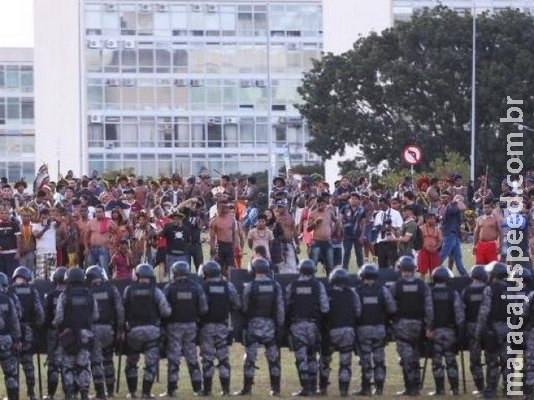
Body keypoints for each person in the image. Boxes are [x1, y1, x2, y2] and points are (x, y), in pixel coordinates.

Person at [235, 257, 284, 396]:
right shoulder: (275, 286)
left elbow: (244, 306)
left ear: (253, 270)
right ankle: (275, 389)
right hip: (270, 326)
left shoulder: (250, 286)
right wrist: (279, 327)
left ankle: (247, 389)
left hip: (253, 326)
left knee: (250, 358)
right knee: (273, 359)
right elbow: (280, 308)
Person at [123, 264, 171, 399]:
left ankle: (132, 393)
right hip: (152, 333)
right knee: (150, 364)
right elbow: (166, 311)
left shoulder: (129, 290)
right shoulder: (155, 291)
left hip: (133, 333)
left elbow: (122, 310)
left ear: (137, 276)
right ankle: (146, 393)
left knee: (131, 364)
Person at [161, 261, 208, 397]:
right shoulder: (196, 287)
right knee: (192, 357)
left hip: (174, 326)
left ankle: (172, 390)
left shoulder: (170, 288)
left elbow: (164, 309)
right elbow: (203, 308)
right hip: (191, 326)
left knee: (174, 358)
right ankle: (198, 388)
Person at [389, 256, 433, 396]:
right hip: (419, 326)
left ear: (400, 269)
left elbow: (390, 307)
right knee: (415, 356)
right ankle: (416, 386)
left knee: (406, 358)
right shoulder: (422, 285)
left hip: (401, 326)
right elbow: (429, 308)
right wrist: (428, 327)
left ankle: (411, 388)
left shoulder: (396, 286)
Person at [53, 267, 99, 400]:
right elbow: (95, 315)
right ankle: (84, 393)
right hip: (85, 334)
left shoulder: (64, 295)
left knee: (67, 365)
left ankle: (69, 394)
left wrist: (57, 327)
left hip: (68, 335)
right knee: (84, 365)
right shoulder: (89, 294)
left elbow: (59, 318)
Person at [285, 258, 330, 396]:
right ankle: (313, 387)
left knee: (300, 358)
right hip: (313, 326)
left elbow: (286, 306)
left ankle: (306, 388)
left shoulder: (292, 286)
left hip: (297, 326)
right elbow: (325, 308)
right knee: (312, 357)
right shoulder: (318, 286)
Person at [198, 260, 241, 396]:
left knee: (207, 359)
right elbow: (237, 304)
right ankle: (226, 390)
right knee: (224, 359)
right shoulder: (228, 286)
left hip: (206, 328)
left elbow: (201, 308)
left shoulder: (203, 287)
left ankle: (207, 390)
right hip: (223, 327)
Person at [355, 263, 397, 396]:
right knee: (379, 359)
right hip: (379, 329)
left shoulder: (358, 291)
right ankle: (379, 388)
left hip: (363, 329)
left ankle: (366, 388)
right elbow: (392, 308)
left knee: (365, 359)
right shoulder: (382, 290)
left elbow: (356, 312)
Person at [318, 268, 361, 397]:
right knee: (345, 361)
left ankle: (323, 388)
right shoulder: (352, 293)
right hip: (348, 331)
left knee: (324, 361)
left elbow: (324, 310)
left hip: (331, 331)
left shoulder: (328, 293)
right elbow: (358, 311)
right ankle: (344, 390)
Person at [86, 264, 125, 398]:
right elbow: (120, 310)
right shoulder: (111, 289)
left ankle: (99, 392)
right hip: (109, 329)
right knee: (108, 359)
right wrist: (120, 330)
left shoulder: (87, 292)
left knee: (96, 361)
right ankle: (110, 390)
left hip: (93, 330)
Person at [474, 261, 512, 399]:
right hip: (509, 329)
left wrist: (478, 333)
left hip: (494, 328)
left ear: (493, 275)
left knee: (492, 360)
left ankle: (491, 390)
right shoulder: (511, 288)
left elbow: (484, 312)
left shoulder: (489, 289)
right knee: (507, 360)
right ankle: (508, 390)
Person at [427, 266, 465, 396]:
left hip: (435, 331)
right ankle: (454, 389)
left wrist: (429, 329)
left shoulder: (430, 292)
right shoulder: (452, 293)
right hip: (450, 331)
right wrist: (460, 331)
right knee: (451, 360)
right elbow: (459, 314)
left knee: (437, 361)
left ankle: (439, 389)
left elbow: (429, 313)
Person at [10, 266, 45, 400]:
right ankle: (31, 393)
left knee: (12, 365)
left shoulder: (10, 290)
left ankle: (13, 395)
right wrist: (37, 326)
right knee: (28, 363)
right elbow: (40, 314)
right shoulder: (32, 291)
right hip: (28, 330)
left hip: (13, 332)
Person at [462, 264, 489, 395]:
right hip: (489, 328)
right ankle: (492, 387)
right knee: (492, 358)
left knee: (475, 359)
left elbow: (462, 310)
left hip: (472, 328)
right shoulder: (489, 289)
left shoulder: (466, 291)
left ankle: (480, 387)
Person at [43, 267, 68, 400]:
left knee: (52, 364)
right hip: (68, 333)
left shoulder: (51, 295)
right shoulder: (70, 294)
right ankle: (69, 393)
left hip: (53, 332)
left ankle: (51, 395)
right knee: (67, 363)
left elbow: (46, 316)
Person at [0, 271, 21, 400]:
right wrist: (17, 339)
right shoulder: (8, 299)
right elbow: (15, 320)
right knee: (11, 374)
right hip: (6, 340)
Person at [438, 191, 468, 276]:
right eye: (461, 201)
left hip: (455, 235)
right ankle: (434, 269)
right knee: (443, 255)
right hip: (449, 235)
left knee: (458, 258)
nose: (462, 202)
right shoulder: (451, 207)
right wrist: (458, 200)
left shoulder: (453, 207)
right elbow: (463, 207)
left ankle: (465, 276)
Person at [84, 204, 118, 277]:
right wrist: (86, 247)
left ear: (104, 212)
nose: (98, 214)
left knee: (104, 271)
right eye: (96, 212)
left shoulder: (109, 222)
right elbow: (85, 236)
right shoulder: (90, 222)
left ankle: (106, 286)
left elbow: (119, 234)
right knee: (90, 270)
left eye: (100, 212)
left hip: (103, 249)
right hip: (91, 249)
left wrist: (114, 246)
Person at [308, 196, 336, 275]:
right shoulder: (312, 213)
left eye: (322, 204)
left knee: (330, 265)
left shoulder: (329, 212)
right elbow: (308, 229)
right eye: (318, 205)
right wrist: (315, 222)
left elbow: (337, 221)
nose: (320, 206)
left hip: (327, 242)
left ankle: (329, 283)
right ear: (316, 204)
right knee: (312, 266)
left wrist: (333, 230)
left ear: (325, 204)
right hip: (316, 242)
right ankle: (312, 283)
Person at [373, 197, 402, 269]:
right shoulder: (378, 214)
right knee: (382, 265)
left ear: (387, 204)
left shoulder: (396, 213)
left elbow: (400, 227)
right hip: (381, 241)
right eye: (379, 205)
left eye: (382, 205)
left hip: (391, 241)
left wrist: (390, 227)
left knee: (392, 264)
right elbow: (375, 227)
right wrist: (379, 228)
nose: (381, 207)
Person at [340, 192, 366, 270]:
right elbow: (340, 220)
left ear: (358, 200)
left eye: (355, 199)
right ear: (349, 200)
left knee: (359, 253)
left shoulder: (362, 210)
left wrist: (362, 236)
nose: (353, 200)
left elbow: (363, 224)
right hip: (347, 234)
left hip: (357, 234)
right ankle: (344, 271)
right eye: (352, 198)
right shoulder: (345, 208)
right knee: (346, 253)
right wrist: (341, 230)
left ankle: (362, 270)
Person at [32, 208, 58, 280]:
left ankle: (52, 289)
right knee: (41, 275)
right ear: (39, 216)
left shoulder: (53, 224)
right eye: (43, 217)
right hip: (40, 253)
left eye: (46, 216)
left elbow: (60, 221)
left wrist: (52, 218)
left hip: (52, 253)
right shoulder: (35, 225)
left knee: (52, 275)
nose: (44, 219)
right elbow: (37, 236)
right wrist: (45, 229)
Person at [417, 212, 442, 280]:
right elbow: (418, 240)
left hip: (434, 251)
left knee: (434, 271)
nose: (432, 220)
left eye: (434, 219)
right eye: (430, 219)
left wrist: (436, 248)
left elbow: (440, 241)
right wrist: (425, 247)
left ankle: (432, 286)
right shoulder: (421, 228)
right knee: (423, 271)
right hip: (423, 251)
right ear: (426, 219)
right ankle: (422, 286)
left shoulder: (438, 229)